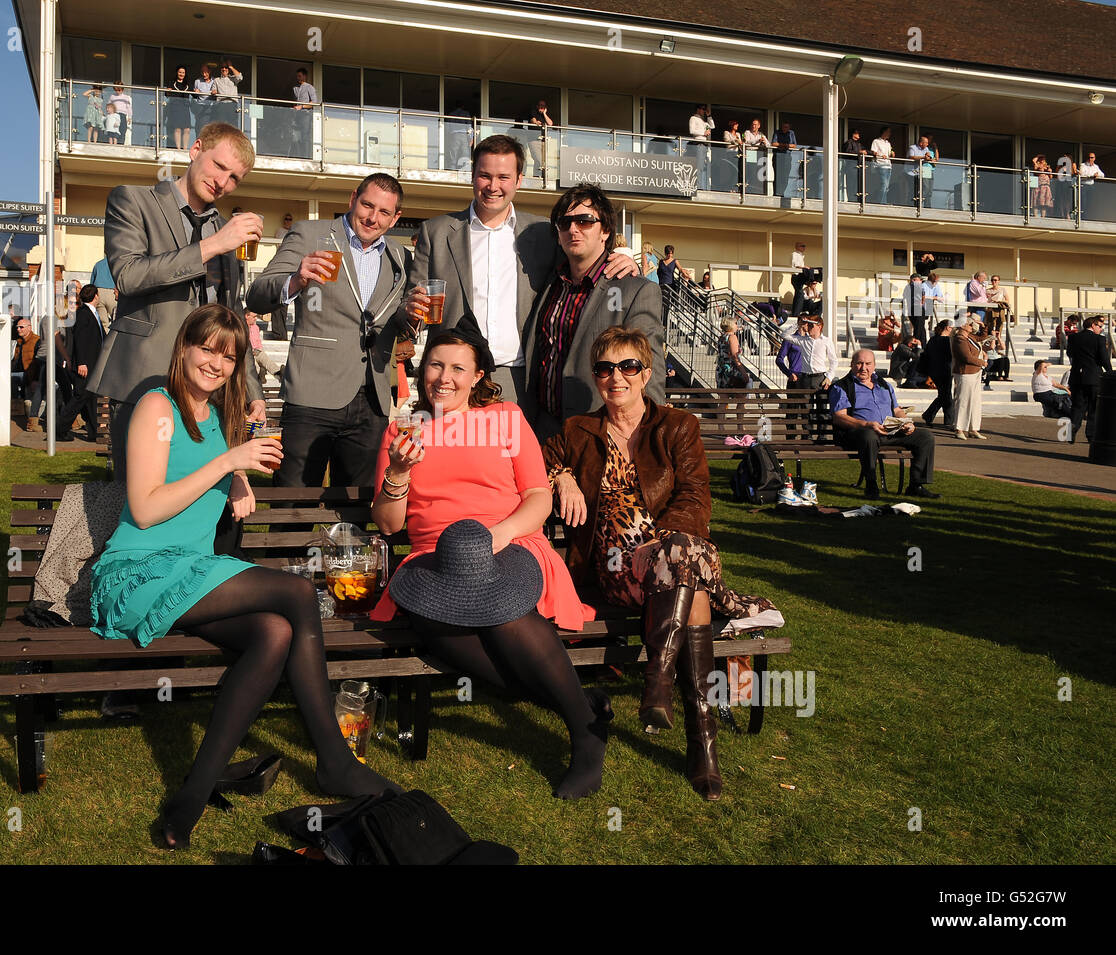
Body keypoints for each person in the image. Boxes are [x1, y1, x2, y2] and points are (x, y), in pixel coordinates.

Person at [91, 304, 398, 850]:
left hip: (188, 572)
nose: (215, 363)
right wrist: (228, 463)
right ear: (183, 346)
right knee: (298, 590)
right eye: (206, 348)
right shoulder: (156, 406)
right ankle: (333, 761)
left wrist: (234, 480)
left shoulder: (214, 419)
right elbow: (142, 508)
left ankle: (194, 789)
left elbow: (199, 474)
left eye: (228, 357)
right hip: (137, 573)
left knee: (274, 633)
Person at [369, 325, 607, 799]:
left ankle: (584, 736)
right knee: (439, 623)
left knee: (500, 608)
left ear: (477, 377)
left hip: (510, 544)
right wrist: (398, 473)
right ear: (422, 370)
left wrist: (497, 537)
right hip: (432, 559)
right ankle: (582, 708)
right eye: (436, 365)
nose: (444, 377)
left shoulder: (506, 418)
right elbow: (389, 524)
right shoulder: (404, 429)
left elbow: (539, 497)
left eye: (459, 368)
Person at [543, 326, 779, 799]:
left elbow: (695, 495)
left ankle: (670, 697)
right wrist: (562, 475)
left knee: (682, 564)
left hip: (668, 557)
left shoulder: (678, 426)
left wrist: (661, 541)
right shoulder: (577, 430)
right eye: (606, 368)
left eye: (628, 367)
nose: (617, 377)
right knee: (691, 583)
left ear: (646, 373)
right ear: (596, 377)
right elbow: (532, 466)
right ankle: (692, 731)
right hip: (612, 568)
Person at [89, 122, 266, 481]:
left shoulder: (227, 230)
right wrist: (212, 246)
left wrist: (251, 390)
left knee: (203, 489)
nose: (222, 182)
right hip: (144, 374)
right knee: (136, 493)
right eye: (219, 166)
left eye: (234, 178)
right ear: (195, 149)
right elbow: (128, 275)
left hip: (208, 385)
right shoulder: (133, 199)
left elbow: (231, 318)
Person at [403, 135, 637, 407]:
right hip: (453, 377)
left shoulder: (541, 233)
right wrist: (410, 311)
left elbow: (582, 260)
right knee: (454, 449)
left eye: (503, 177)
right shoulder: (436, 232)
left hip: (518, 379)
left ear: (518, 180)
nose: (493, 186)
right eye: (485, 176)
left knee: (515, 450)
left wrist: (618, 258)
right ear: (472, 176)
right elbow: (410, 308)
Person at [245, 173, 410, 486]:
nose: (373, 218)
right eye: (367, 205)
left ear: (395, 218)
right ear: (352, 199)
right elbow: (257, 293)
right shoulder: (309, 233)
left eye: (384, 212)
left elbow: (392, 318)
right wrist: (296, 279)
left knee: (355, 505)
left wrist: (414, 316)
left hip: (371, 399)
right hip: (311, 393)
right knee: (293, 502)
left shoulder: (400, 257)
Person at [524, 184, 665, 441]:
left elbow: (649, 366)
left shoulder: (633, 290)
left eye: (585, 221)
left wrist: (648, 433)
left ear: (605, 231)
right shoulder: (549, 284)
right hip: (544, 430)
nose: (573, 229)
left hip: (601, 431)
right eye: (564, 222)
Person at [829, 350, 940, 499]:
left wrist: (906, 422)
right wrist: (867, 424)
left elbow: (896, 410)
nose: (863, 368)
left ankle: (916, 485)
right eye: (859, 363)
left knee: (925, 436)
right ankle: (871, 484)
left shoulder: (884, 385)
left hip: (889, 431)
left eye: (868, 364)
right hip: (859, 433)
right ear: (852, 365)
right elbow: (839, 417)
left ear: (874, 365)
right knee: (868, 436)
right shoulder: (842, 386)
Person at [58, 284, 106, 442]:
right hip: (86, 365)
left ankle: (94, 432)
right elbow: (80, 340)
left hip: (93, 364)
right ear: (96, 296)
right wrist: (82, 363)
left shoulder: (91, 313)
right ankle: (60, 430)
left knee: (90, 397)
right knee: (80, 396)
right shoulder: (84, 314)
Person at [1067, 315, 1112, 443]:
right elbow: (1104, 358)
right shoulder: (1099, 339)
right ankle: (1090, 435)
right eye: (1099, 326)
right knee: (1093, 407)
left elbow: (1069, 353)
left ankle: (1073, 428)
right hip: (1093, 377)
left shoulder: (1073, 337)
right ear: (1093, 325)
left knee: (1077, 405)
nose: (1101, 329)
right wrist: (1110, 372)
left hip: (1077, 377)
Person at [950, 314, 990, 439]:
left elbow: (982, 337)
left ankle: (973, 428)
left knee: (975, 401)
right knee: (963, 401)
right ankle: (959, 428)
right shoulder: (959, 339)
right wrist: (982, 362)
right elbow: (966, 357)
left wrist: (984, 327)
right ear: (962, 326)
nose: (972, 326)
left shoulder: (969, 337)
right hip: (965, 373)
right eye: (969, 324)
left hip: (975, 372)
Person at [11, 315, 45, 432]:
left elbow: (36, 363)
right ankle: (17, 408)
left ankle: (19, 410)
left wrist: (35, 379)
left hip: (29, 375)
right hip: (21, 373)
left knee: (13, 378)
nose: (18, 329)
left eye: (21, 327)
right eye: (17, 327)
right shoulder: (19, 342)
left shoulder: (36, 340)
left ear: (29, 328)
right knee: (10, 378)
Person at [919, 319, 955, 427]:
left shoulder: (933, 340)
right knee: (946, 395)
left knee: (944, 395)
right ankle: (945, 420)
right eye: (951, 328)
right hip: (945, 371)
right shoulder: (948, 341)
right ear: (948, 328)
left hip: (934, 371)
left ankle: (934, 416)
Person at [291, 67, 318, 158]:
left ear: (305, 76)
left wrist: (302, 106)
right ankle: (297, 155)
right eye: (297, 76)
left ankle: (305, 157)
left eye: (300, 76)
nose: (298, 78)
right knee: (295, 136)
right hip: (296, 115)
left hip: (306, 114)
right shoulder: (295, 88)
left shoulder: (309, 87)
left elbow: (314, 102)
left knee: (305, 136)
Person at [715, 316, 748, 389]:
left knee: (723, 397)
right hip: (731, 370)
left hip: (721, 369)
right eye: (735, 323)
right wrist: (744, 373)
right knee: (739, 396)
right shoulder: (732, 337)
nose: (737, 325)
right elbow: (735, 356)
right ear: (731, 325)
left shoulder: (722, 337)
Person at [165, 65, 193, 150]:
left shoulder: (188, 84)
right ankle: (178, 148)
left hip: (185, 108)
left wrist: (197, 91)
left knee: (187, 129)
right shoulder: (172, 83)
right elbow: (167, 94)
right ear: (177, 73)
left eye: (183, 72)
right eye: (180, 72)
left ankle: (184, 148)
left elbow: (195, 95)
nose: (181, 74)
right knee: (177, 129)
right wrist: (168, 91)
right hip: (175, 108)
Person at [688, 105, 715, 190]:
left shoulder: (704, 122)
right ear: (698, 110)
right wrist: (703, 133)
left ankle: (699, 185)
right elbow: (691, 131)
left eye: (704, 109)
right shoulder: (693, 118)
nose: (704, 111)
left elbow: (713, 126)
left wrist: (709, 116)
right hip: (698, 143)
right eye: (703, 109)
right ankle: (698, 186)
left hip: (704, 145)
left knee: (701, 166)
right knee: (698, 166)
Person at [529, 99, 556, 178]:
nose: (541, 107)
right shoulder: (534, 112)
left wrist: (544, 114)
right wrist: (536, 122)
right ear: (537, 106)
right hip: (534, 140)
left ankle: (537, 177)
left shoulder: (544, 115)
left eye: (543, 106)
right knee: (539, 159)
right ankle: (543, 177)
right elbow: (533, 120)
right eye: (540, 105)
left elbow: (550, 123)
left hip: (543, 140)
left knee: (541, 160)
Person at [773, 120, 800, 199]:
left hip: (787, 156)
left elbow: (794, 145)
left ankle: (782, 192)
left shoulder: (791, 133)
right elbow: (774, 143)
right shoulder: (777, 132)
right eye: (784, 127)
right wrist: (786, 145)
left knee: (786, 176)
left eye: (787, 127)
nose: (785, 129)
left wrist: (783, 145)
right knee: (778, 175)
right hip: (778, 156)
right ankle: (777, 193)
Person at [212, 59, 242, 127]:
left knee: (233, 126)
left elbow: (240, 77)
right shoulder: (216, 80)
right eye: (222, 67)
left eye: (226, 67)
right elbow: (213, 90)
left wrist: (231, 67)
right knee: (221, 126)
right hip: (221, 104)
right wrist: (214, 92)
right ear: (220, 69)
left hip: (232, 104)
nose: (224, 69)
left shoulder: (233, 78)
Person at [908, 135, 936, 206]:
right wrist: (924, 157)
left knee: (929, 190)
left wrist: (929, 157)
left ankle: (927, 206)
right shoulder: (912, 147)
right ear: (921, 143)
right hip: (914, 171)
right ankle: (917, 203)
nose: (927, 144)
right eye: (926, 142)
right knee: (923, 188)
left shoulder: (926, 148)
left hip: (926, 169)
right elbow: (911, 157)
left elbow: (929, 157)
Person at [869, 127, 894, 203]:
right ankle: (881, 202)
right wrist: (881, 155)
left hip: (888, 165)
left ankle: (884, 201)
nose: (889, 134)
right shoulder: (876, 141)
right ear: (884, 132)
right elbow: (873, 152)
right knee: (884, 184)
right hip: (880, 165)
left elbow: (889, 154)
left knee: (887, 186)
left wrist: (892, 154)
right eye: (888, 132)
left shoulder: (888, 143)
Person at [901, 272, 927, 344]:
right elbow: (923, 296)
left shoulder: (907, 287)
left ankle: (922, 344)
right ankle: (916, 343)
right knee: (919, 328)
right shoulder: (917, 285)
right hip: (917, 308)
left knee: (920, 328)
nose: (921, 281)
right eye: (919, 280)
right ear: (913, 280)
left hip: (911, 309)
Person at [842, 128, 864, 201]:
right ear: (854, 134)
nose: (859, 135)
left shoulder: (858, 144)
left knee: (857, 185)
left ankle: (857, 200)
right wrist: (859, 152)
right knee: (851, 184)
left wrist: (872, 152)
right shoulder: (849, 142)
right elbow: (847, 152)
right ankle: (851, 200)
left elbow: (863, 151)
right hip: (851, 166)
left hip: (858, 166)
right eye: (858, 134)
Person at [192, 64, 215, 133]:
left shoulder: (214, 80)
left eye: (206, 72)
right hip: (200, 106)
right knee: (200, 127)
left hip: (211, 106)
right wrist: (195, 92)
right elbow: (194, 97)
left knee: (211, 128)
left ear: (209, 71)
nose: (204, 74)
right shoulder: (197, 81)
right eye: (202, 72)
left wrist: (215, 92)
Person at [1055, 152, 1075, 220]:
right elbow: (1056, 174)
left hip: (1068, 183)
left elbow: (1073, 173)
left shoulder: (1072, 165)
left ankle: (1067, 214)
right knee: (1061, 199)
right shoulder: (1060, 165)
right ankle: (1062, 214)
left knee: (1068, 200)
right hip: (1061, 183)